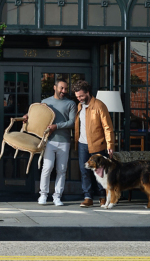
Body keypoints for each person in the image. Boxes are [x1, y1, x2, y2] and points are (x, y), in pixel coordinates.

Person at [25, 78, 76, 206]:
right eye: (61, 88)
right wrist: (26, 116)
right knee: (47, 168)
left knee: (62, 169)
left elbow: (72, 122)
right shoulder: (45, 102)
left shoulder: (70, 104)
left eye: (65, 88)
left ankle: (57, 197)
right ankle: (43, 195)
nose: (64, 91)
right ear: (55, 87)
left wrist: (56, 126)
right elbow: (36, 115)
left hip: (64, 141)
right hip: (48, 141)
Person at [72, 80, 116, 207]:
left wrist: (110, 145)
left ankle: (102, 197)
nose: (79, 99)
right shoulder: (80, 106)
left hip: (98, 144)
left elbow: (108, 127)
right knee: (84, 171)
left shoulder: (99, 106)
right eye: (77, 97)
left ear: (88, 93)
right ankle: (88, 197)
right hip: (82, 144)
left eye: (81, 96)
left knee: (100, 172)